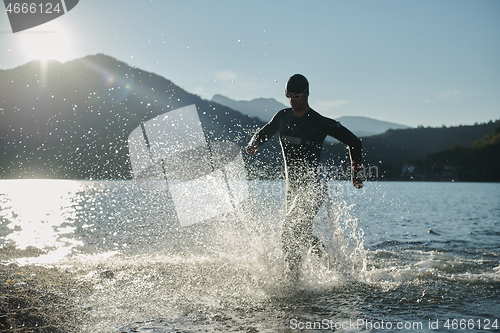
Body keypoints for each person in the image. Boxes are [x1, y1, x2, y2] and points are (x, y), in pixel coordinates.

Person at [245, 74, 363, 271]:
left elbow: (354, 142)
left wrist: (356, 173)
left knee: (288, 229)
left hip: (313, 187)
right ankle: (329, 264)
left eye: (296, 96)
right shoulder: (282, 117)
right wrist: (253, 144)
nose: (292, 100)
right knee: (300, 233)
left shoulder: (318, 122)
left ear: (307, 94)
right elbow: (263, 133)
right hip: (292, 189)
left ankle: (293, 277)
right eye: (288, 96)